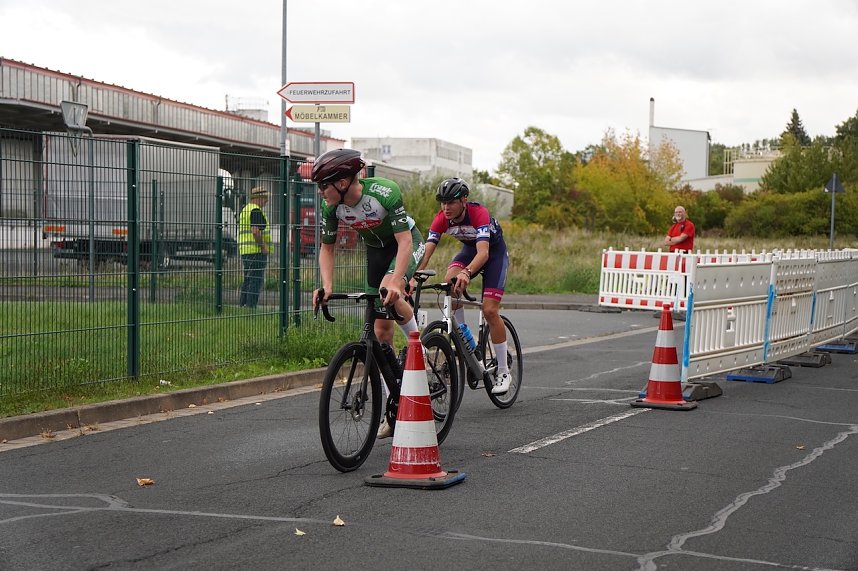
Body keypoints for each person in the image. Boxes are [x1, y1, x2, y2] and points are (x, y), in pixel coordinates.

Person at [310, 149, 424, 439]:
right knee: (381, 332)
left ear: (345, 181)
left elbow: (405, 241)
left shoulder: (385, 192)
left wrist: (398, 280)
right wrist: (327, 286)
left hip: (404, 245)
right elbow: (326, 248)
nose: (321, 191)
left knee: (391, 292)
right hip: (375, 251)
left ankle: (417, 347)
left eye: (325, 185)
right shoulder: (331, 208)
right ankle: (395, 405)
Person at [413, 178, 512, 394]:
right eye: (443, 203)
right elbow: (426, 255)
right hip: (470, 251)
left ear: (464, 200)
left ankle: (503, 371)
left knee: (490, 310)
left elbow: (484, 253)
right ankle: (464, 337)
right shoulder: (441, 219)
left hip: (493, 254)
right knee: (449, 282)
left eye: (451, 202)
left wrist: (467, 272)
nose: (446, 207)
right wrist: (412, 279)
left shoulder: (478, 213)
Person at [238, 186, 271, 308]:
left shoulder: (246, 209)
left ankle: (243, 306)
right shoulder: (255, 210)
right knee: (255, 281)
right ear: (259, 198)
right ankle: (250, 308)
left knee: (248, 279)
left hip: (246, 250)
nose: (266, 201)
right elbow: (255, 231)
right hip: (256, 251)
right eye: (265, 198)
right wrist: (263, 246)